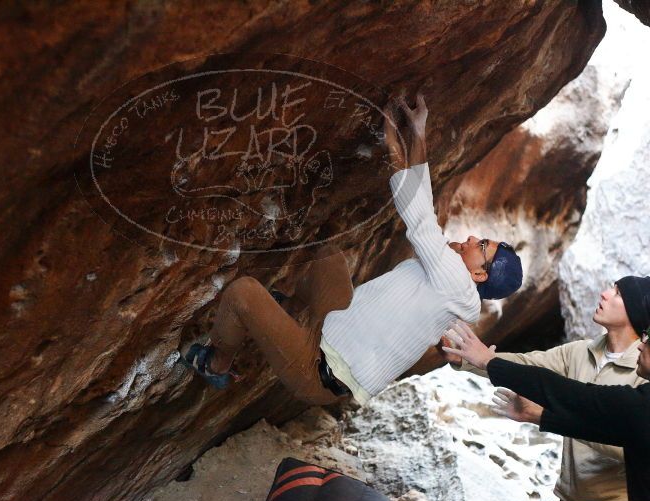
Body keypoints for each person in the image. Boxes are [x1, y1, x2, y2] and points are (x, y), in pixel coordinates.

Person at [179, 94, 523, 407]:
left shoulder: (455, 282)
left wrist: (393, 140)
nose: (474, 239)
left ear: (479, 274)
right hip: (333, 327)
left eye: (481, 247)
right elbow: (424, 200)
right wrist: (417, 133)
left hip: (317, 368)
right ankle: (292, 309)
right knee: (329, 257)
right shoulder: (456, 286)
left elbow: (419, 217)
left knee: (243, 293)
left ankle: (216, 364)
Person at [443, 276, 650, 501]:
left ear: (635, 312)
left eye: (617, 293)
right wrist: (467, 358)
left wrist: (548, 416)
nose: (604, 294)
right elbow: (527, 366)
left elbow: (630, 445)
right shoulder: (580, 352)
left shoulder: (642, 373)